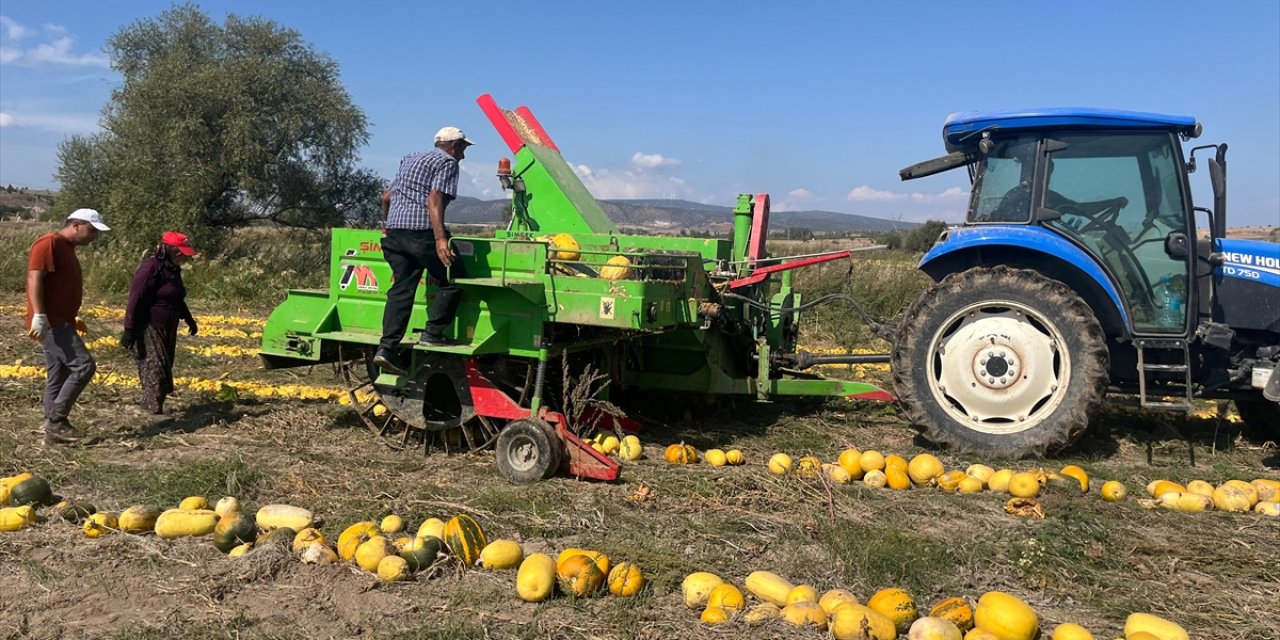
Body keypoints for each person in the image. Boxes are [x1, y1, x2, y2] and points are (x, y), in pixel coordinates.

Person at [373, 126, 474, 375]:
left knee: (401, 288)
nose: (463, 154)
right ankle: (432, 333)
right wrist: (441, 239)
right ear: (455, 146)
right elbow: (435, 199)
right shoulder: (448, 162)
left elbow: (387, 197)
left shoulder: (411, 159)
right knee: (454, 278)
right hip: (422, 233)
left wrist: (389, 226)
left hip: (395, 233)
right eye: (464, 148)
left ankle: (386, 349)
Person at [25, 208, 110, 445]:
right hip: (52, 323)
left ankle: (51, 429)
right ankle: (56, 420)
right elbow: (35, 278)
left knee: (59, 374)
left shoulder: (67, 248)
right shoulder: (48, 243)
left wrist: (72, 317)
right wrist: (39, 315)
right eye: (92, 231)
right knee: (84, 366)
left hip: (62, 320)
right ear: (76, 225)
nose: (95, 237)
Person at [121, 232, 199, 415]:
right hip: (149, 325)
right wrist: (129, 329)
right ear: (170, 250)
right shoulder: (150, 268)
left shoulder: (172, 269)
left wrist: (188, 319)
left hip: (168, 325)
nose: (184, 257)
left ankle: (155, 404)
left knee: (165, 365)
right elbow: (134, 299)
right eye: (181, 252)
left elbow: (177, 297)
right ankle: (152, 409)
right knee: (155, 366)